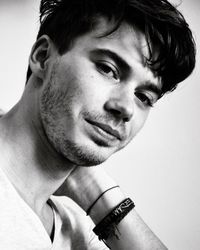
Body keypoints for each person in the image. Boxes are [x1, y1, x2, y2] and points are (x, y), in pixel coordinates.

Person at [0, 0, 196, 249]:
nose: (126, 109)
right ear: (43, 57)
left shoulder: (75, 231)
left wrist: (97, 190)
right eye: (108, 69)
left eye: (144, 97)